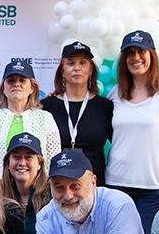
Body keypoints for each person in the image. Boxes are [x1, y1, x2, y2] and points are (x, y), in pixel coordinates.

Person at [106, 30, 159, 234]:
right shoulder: (115, 94)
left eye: (141, 51)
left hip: (154, 189)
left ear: (152, 54)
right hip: (116, 184)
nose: (136, 58)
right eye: (130, 53)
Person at [41, 41, 114, 185]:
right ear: (62, 70)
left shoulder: (105, 107)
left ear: (91, 70)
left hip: (95, 185)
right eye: (71, 63)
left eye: (83, 63)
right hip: (57, 185)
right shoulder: (47, 107)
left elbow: (123, 142)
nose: (77, 68)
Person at [0, 60, 62, 175]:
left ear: (32, 88)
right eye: (11, 80)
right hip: (0, 189)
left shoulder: (45, 118)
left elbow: (55, 160)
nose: (16, 84)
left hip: (39, 190)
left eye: (22, 80)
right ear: (3, 88)